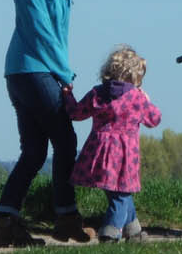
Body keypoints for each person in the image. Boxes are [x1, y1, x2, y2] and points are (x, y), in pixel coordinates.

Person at [0, 0, 90, 247]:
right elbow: (40, 30)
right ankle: (66, 216)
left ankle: (6, 221)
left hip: (29, 70)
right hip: (33, 69)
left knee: (34, 151)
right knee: (65, 140)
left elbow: (54, 35)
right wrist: (64, 74)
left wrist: (59, 70)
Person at [65, 46, 162, 243]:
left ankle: (133, 231)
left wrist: (67, 95)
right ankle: (109, 232)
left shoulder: (97, 93)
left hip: (99, 151)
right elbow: (154, 119)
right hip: (125, 155)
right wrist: (147, 100)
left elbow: (76, 113)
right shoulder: (137, 97)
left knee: (117, 192)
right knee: (121, 195)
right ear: (134, 75)